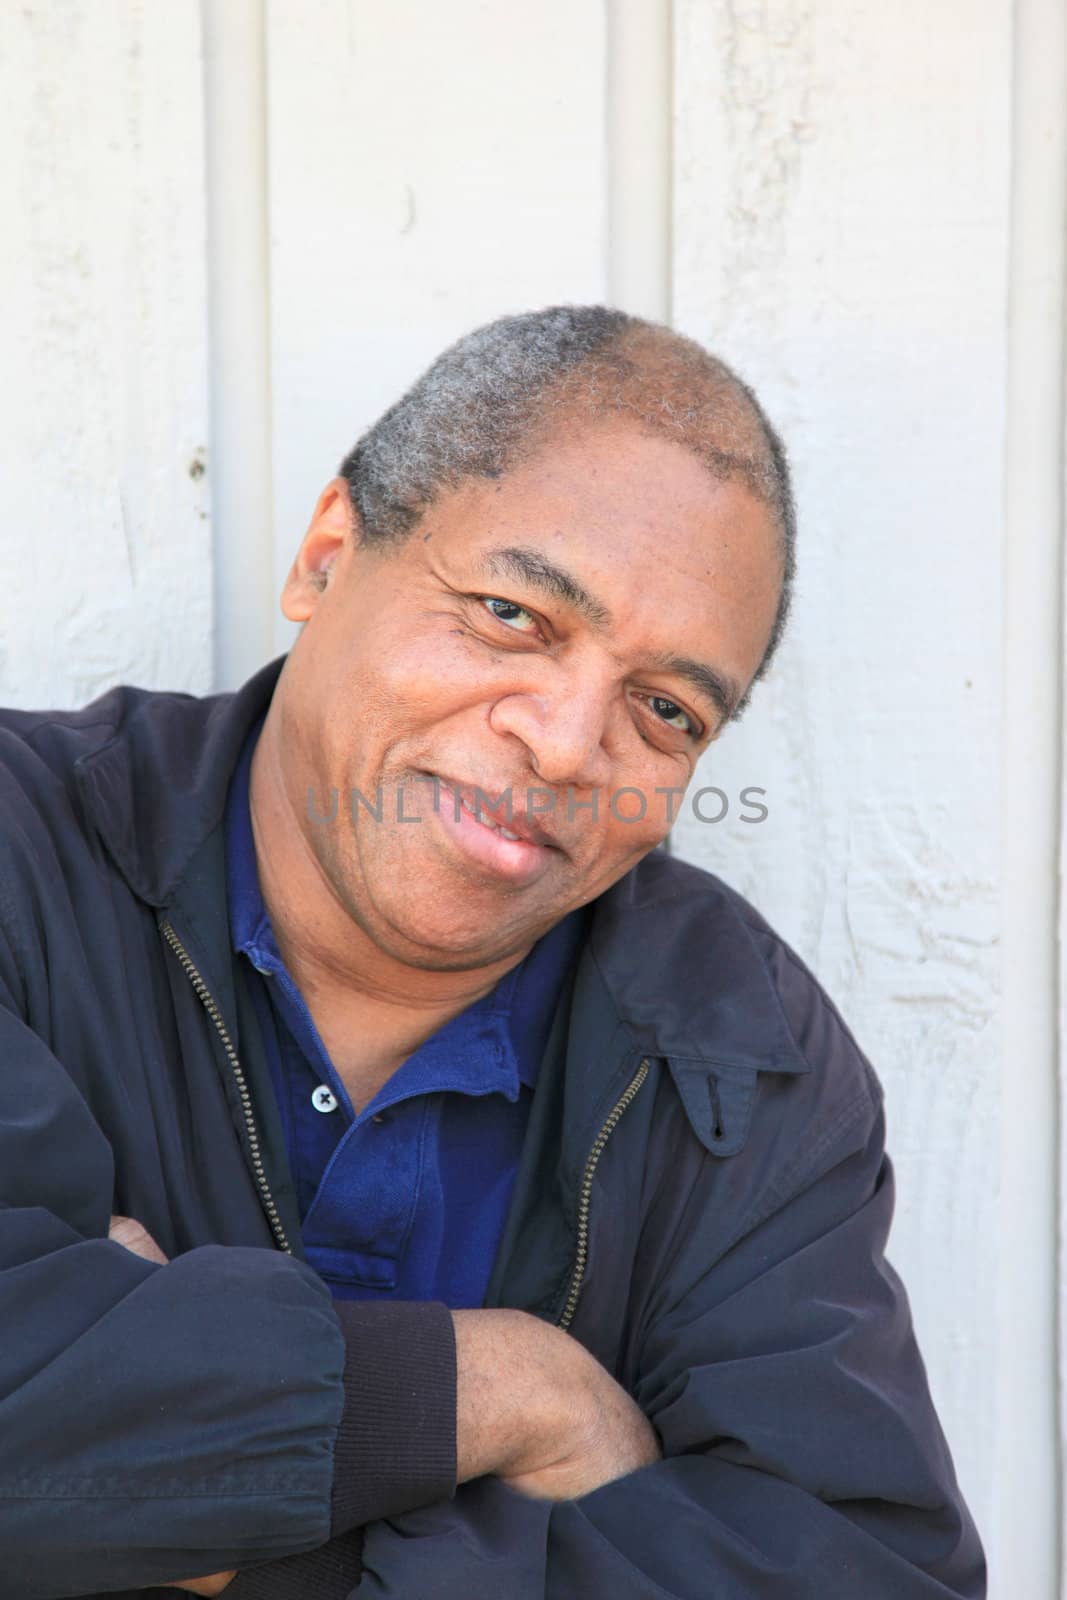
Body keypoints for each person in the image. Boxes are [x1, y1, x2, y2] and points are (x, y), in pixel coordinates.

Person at [0, 306, 984, 1599]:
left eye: (666, 710)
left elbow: (867, 1574)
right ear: (327, 556)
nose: (571, 745)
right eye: (516, 615)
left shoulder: (739, 1050)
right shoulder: (21, 855)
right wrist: (508, 1392)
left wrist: (190, 1487)